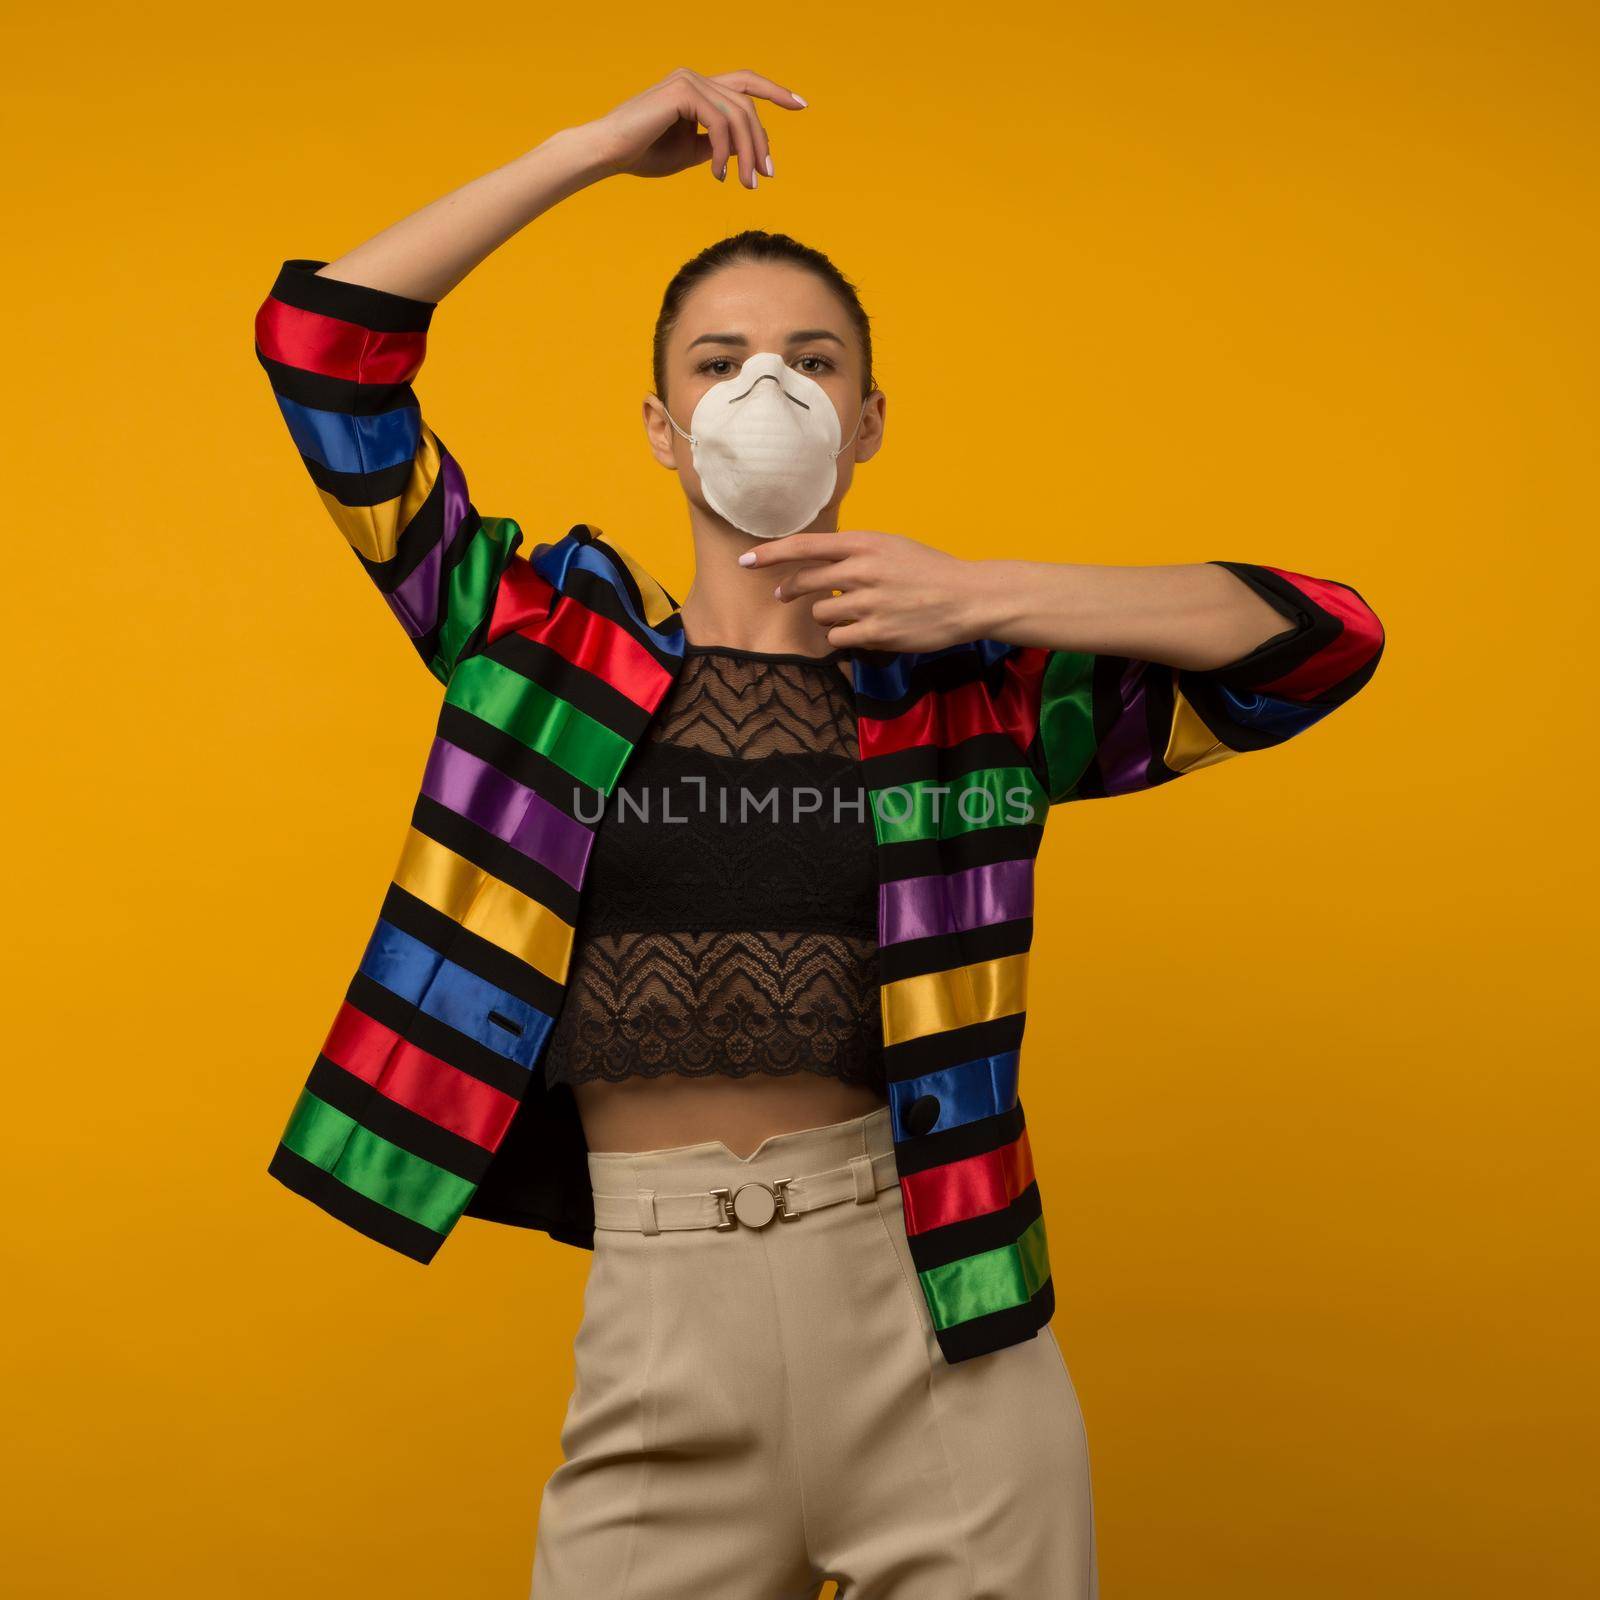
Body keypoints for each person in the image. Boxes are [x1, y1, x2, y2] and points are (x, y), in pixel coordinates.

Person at [253, 66, 1385, 1600]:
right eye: (719, 362)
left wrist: (982, 592)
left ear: (865, 417)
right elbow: (324, 353)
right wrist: (587, 153)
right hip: (660, 1338)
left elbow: (1320, 642)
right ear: (661, 427)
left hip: (938, 1333)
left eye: (810, 360)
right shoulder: (532, 648)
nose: (762, 388)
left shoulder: (978, 700)